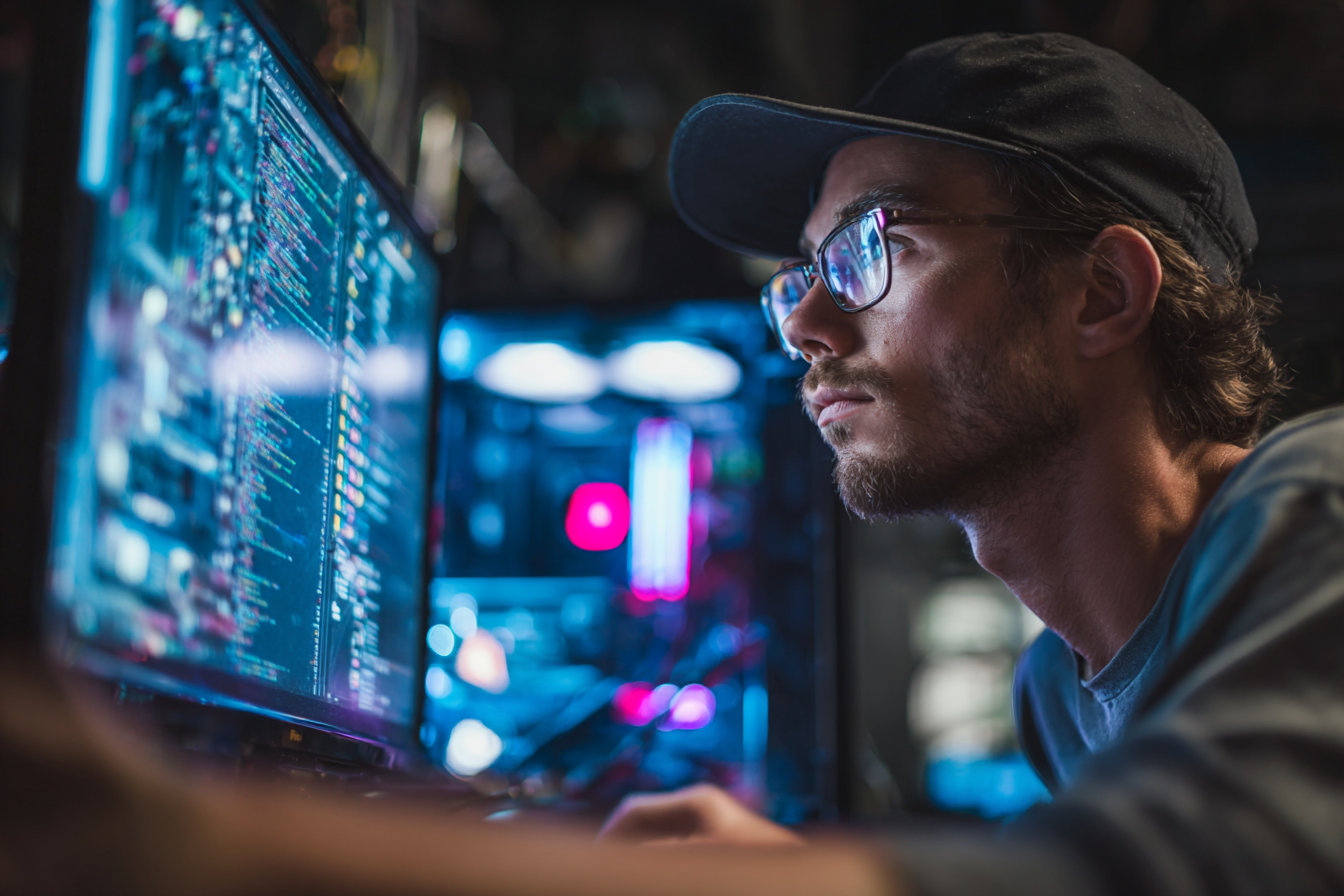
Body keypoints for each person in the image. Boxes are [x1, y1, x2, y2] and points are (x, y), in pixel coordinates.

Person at [4, 30, 1344, 896]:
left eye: (874, 249)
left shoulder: (1317, 513)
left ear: (1104, 294)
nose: (808, 326)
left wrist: (190, 844)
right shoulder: (1069, 687)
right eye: (801, 277)